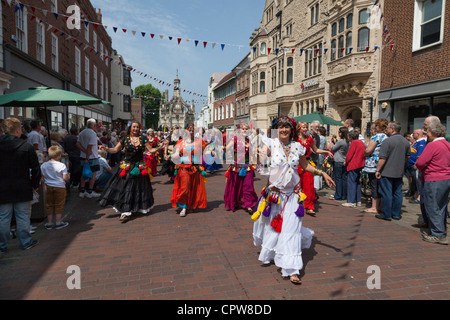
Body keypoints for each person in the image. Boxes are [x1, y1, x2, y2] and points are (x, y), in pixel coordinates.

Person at [253, 116, 335, 285]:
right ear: (277, 129)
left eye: (287, 127)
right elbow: (262, 156)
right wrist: (260, 154)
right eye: (281, 127)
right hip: (275, 196)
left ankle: (292, 269)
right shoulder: (271, 143)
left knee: (291, 231)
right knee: (274, 227)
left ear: (292, 130)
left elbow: (305, 166)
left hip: (293, 196)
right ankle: (274, 253)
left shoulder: (297, 146)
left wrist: (323, 173)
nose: (284, 130)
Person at [100, 121, 163, 223]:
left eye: (137, 127)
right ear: (130, 128)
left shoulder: (143, 139)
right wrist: (106, 148)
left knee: (139, 188)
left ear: (139, 128)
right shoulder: (125, 138)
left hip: (139, 166)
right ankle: (125, 211)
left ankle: (136, 207)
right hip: (127, 166)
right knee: (127, 187)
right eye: (134, 127)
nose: (135, 129)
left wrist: (160, 147)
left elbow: (150, 150)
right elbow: (115, 150)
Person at [0, 118, 41, 253]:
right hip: (22, 186)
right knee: (22, 215)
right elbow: (35, 169)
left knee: (3, 217)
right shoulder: (26, 147)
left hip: (3, 187)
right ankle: (25, 241)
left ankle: (2, 244)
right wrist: (35, 185)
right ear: (18, 130)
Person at [415, 122, 450, 245]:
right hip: (446, 178)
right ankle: (440, 231)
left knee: (433, 206)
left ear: (433, 132)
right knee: (441, 206)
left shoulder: (432, 145)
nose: (427, 134)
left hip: (434, 178)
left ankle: (438, 234)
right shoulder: (447, 144)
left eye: (428, 132)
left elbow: (420, 163)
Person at [375, 121, 411, 221]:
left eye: (388, 128)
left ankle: (387, 214)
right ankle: (396, 214)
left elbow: (382, 158)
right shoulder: (405, 141)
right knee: (397, 193)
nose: (386, 129)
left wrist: (378, 170)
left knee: (386, 193)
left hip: (387, 171)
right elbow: (408, 156)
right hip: (399, 172)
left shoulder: (387, 141)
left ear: (393, 129)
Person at [170, 124, 208, 217]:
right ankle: (184, 207)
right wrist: (172, 155)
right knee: (185, 188)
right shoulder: (180, 142)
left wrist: (211, 152)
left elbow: (204, 152)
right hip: (184, 168)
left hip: (195, 168)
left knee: (193, 188)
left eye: (192, 131)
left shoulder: (200, 142)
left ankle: (189, 205)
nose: (191, 132)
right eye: (189, 130)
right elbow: (174, 155)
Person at [297, 122, 333, 215]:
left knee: (309, 185)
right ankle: (297, 204)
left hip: (307, 164)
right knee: (297, 185)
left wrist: (326, 151)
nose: (305, 129)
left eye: (306, 127)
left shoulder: (309, 139)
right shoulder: (294, 139)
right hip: (296, 165)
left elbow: (316, 150)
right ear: (298, 128)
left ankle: (309, 207)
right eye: (303, 127)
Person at [223, 124, 258, 214]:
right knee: (236, 185)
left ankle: (249, 205)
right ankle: (235, 202)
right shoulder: (235, 139)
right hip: (237, 167)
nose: (245, 130)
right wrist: (223, 148)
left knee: (248, 185)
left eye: (246, 129)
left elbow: (252, 153)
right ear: (239, 130)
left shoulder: (248, 140)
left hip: (247, 166)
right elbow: (227, 148)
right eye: (243, 129)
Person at [40, 146, 70, 230]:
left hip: (48, 186)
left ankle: (49, 223)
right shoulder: (61, 165)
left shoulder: (43, 165)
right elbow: (65, 178)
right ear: (59, 155)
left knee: (49, 204)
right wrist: (68, 176)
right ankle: (58, 222)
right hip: (60, 186)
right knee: (59, 204)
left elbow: (42, 178)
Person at [363, 119, 388, 213]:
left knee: (374, 185)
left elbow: (368, 150)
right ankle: (380, 206)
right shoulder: (386, 137)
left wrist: (365, 153)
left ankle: (374, 207)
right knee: (380, 185)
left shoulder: (376, 137)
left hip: (373, 164)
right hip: (382, 163)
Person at [76, 119, 101, 199]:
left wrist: (84, 151)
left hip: (83, 156)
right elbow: (90, 146)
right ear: (94, 125)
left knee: (83, 174)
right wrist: (87, 154)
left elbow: (77, 144)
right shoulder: (93, 134)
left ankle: (82, 191)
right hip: (91, 157)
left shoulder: (82, 132)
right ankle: (90, 191)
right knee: (93, 175)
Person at [343, 130, 366, 208]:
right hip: (360, 164)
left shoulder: (354, 143)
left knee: (351, 183)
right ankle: (358, 200)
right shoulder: (361, 143)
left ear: (351, 137)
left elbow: (349, 155)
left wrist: (346, 162)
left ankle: (351, 201)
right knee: (357, 183)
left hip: (353, 165)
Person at [329, 127, 350, 201]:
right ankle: (343, 195)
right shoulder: (348, 141)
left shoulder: (341, 141)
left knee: (338, 179)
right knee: (343, 178)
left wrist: (331, 143)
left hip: (338, 161)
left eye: (339, 132)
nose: (338, 133)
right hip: (344, 161)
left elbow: (332, 149)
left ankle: (338, 195)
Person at [407, 129, 427, 203]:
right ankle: (416, 194)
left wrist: (416, 163)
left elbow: (420, 155)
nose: (413, 135)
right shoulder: (416, 142)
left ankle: (419, 197)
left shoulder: (421, 143)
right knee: (415, 181)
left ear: (418, 134)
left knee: (418, 180)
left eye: (414, 133)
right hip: (411, 164)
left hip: (416, 165)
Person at [315, 126, 328, 191]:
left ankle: (317, 186)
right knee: (321, 170)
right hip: (322, 155)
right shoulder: (325, 138)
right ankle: (320, 185)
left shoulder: (319, 138)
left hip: (318, 155)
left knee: (316, 170)